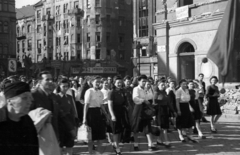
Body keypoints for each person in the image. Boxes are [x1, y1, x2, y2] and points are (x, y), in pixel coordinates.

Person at [0, 82, 39, 155]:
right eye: (24, 98)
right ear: (9, 101)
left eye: (30, 98)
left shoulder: (27, 121)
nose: (29, 102)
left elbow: (33, 149)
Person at [131, 75, 157, 151]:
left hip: (145, 109)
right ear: (139, 81)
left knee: (147, 127)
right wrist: (143, 100)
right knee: (136, 127)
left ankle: (150, 145)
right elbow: (135, 98)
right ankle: (135, 144)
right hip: (138, 108)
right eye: (143, 81)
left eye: (145, 81)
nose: (144, 83)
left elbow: (150, 98)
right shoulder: (136, 89)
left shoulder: (146, 89)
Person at [31, 71, 59, 138]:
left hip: (53, 134)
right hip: (40, 135)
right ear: (40, 81)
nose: (50, 81)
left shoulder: (53, 96)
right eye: (47, 79)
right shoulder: (33, 95)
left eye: (51, 79)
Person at [82, 76, 106, 154]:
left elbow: (101, 105)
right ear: (92, 82)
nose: (98, 83)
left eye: (99, 82)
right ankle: (90, 152)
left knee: (101, 135)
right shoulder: (89, 91)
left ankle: (97, 152)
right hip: (90, 113)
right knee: (91, 136)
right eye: (96, 82)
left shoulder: (100, 92)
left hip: (98, 113)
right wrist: (84, 118)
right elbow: (86, 105)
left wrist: (106, 114)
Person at [55, 79, 76, 155]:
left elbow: (73, 111)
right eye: (63, 86)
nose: (65, 88)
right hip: (60, 124)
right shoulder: (56, 97)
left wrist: (74, 126)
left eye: (67, 86)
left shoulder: (69, 97)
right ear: (59, 86)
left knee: (69, 145)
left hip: (69, 123)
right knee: (60, 145)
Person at [153, 79, 176, 148]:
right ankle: (166, 142)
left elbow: (168, 103)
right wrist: (154, 114)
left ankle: (159, 140)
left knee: (164, 126)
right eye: (161, 85)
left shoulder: (165, 92)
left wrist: (173, 111)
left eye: (164, 85)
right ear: (158, 86)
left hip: (165, 110)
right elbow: (154, 103)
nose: (163, 86)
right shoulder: (156, 93)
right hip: (159, 111)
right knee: (162, 127)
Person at [108, 76, 127, 155]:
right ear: (114, 83)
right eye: (118, 83)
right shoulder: (111, 92)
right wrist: (112, 115)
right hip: (114, 111)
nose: (119, 84)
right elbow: (110, 105)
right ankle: (116, 146)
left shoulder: (122, 91)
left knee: (120, 130)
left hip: (121, 111)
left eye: (120, 82)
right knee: (115, 131)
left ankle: (116, 144)